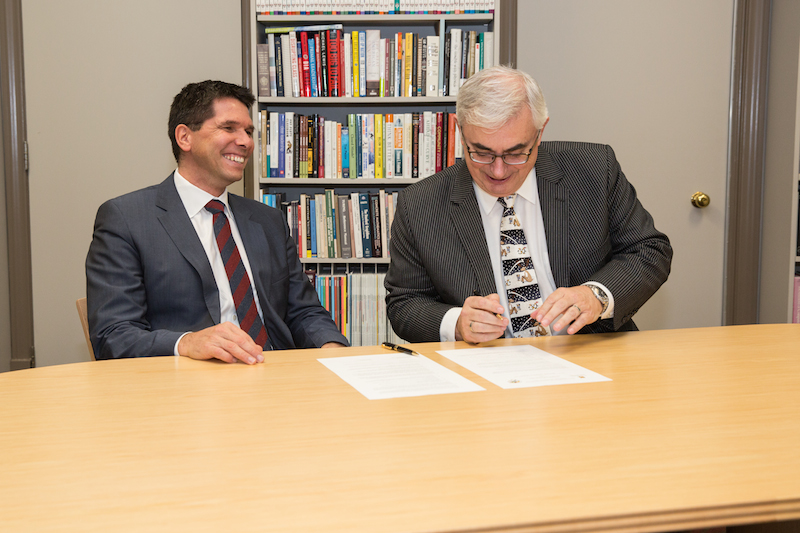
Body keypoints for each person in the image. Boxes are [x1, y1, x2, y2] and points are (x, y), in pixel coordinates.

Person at [385, 66, 672, 344]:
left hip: (590, 353)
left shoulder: (594, 170)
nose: (498, 171)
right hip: (488, 368)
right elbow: (404, 303)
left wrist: (595, 296)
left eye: (516, 153)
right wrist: (457, 323)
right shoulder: (420, 205)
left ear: (540, 131)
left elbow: (648, 251)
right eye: (481, 153)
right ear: (461, 132)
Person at [86, 80, 347, 363]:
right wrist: (186, 342)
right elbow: (113, 335)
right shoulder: (127, 219)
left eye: (248, 131)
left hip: (276, 375)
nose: (246, 141)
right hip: (189, 387)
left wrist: (331, 349)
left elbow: (304, 311)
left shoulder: (268, 220)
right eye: (229, 128)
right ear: (184, 137)